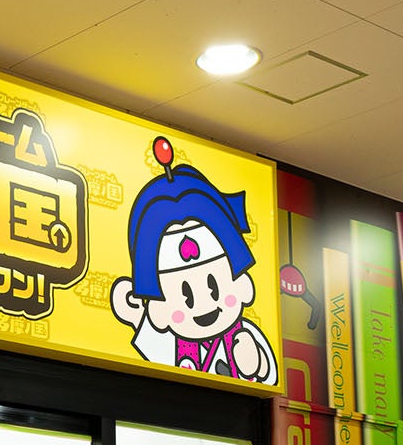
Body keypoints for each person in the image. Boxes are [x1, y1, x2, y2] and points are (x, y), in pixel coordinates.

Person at [108, 138, 277, 384]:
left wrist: (255, 361)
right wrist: (135, 315)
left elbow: (267, 375)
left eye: (213, 286)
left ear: (240, 283)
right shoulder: (168, 343)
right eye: (185, 294)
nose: (203, 303)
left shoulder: (244, 334)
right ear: (158, 305)